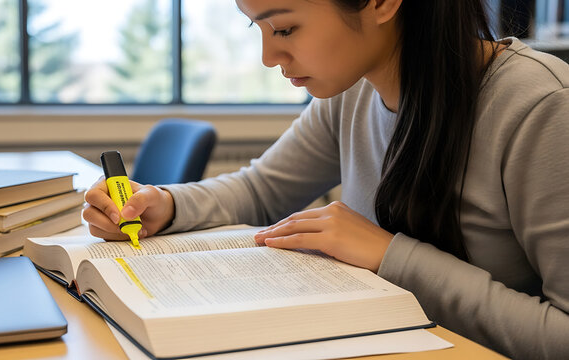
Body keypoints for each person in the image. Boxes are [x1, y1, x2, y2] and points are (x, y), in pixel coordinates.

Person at [83, 0, 569, 358]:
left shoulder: (541, 106)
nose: (268, 57)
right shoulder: (351, 91)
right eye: (259, 29)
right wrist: (164, 204)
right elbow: (263, 189)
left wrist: (389, 255)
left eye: (285, 28)